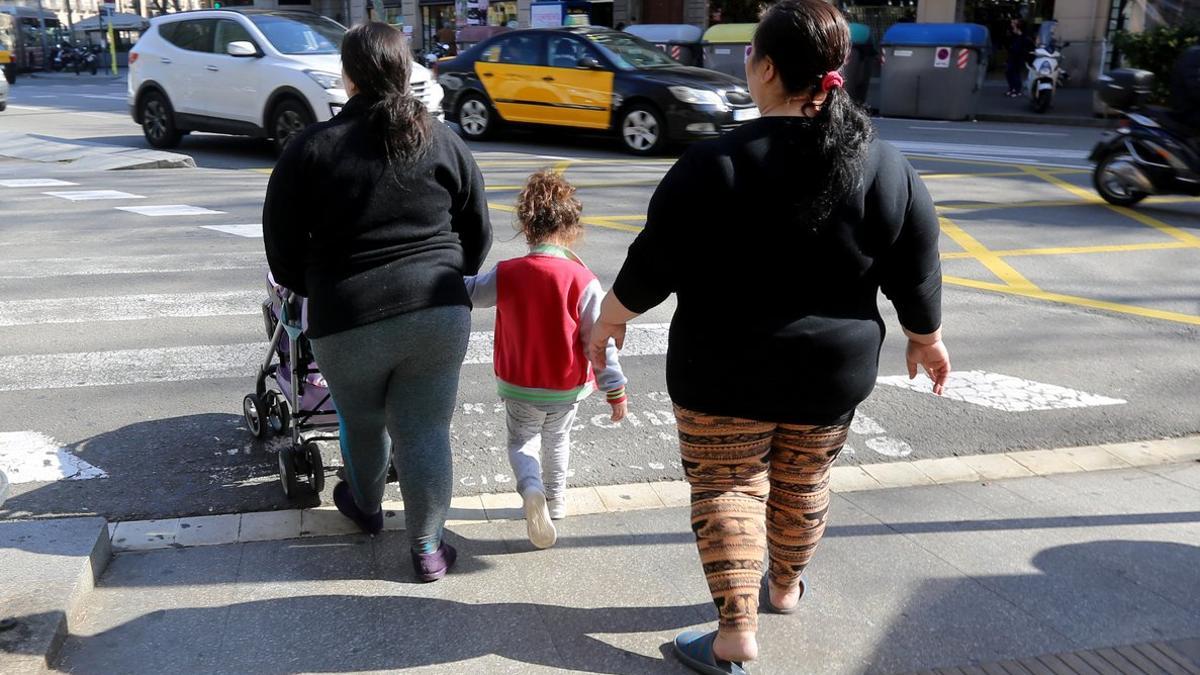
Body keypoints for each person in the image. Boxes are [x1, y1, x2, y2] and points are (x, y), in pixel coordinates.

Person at [586, 0, 950, 672]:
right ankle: (783, 586)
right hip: (831, 373)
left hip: (721, 367)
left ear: (769, 68)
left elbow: (652, 265)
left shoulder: (712, 165)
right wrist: (924, 337)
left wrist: (609, 322)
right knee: (804, 480)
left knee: (729, 482)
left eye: (751, 54)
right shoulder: (884, 165)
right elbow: (917, 261)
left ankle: (734, 632)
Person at [263, 22, 492, 583]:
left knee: (362, 424)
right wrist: (439, 279)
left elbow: (281, 250)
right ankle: (428, 549)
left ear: (348, 76)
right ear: (403, 70)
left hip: (347, 318)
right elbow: (477, 232)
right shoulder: (441, 139)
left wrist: (319, 286)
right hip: (436, 312)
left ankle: (365, 508)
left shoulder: (309, 149)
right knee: (425, 431)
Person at [465, 171, 628, 550]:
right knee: (558, 440)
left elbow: (469, 292)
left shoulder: (508, 273)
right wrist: (614, 390)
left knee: (522, 442)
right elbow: (598, 341)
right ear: (572, 227)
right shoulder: (583, 278)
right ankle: (556, 502)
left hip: (519, 384)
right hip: (566, 386)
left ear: (525, 225)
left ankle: (531, 487)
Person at [1005, 19, 1033, 97]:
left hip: (1018, 57)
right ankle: (1012, 88)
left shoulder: (1023, 36)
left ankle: (1017, 90)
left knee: (1015, 73)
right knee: (1009, 72)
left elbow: (1025, 45)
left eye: (1014, 23)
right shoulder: (1013, 34)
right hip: (1012, 56)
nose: (1012, 24)